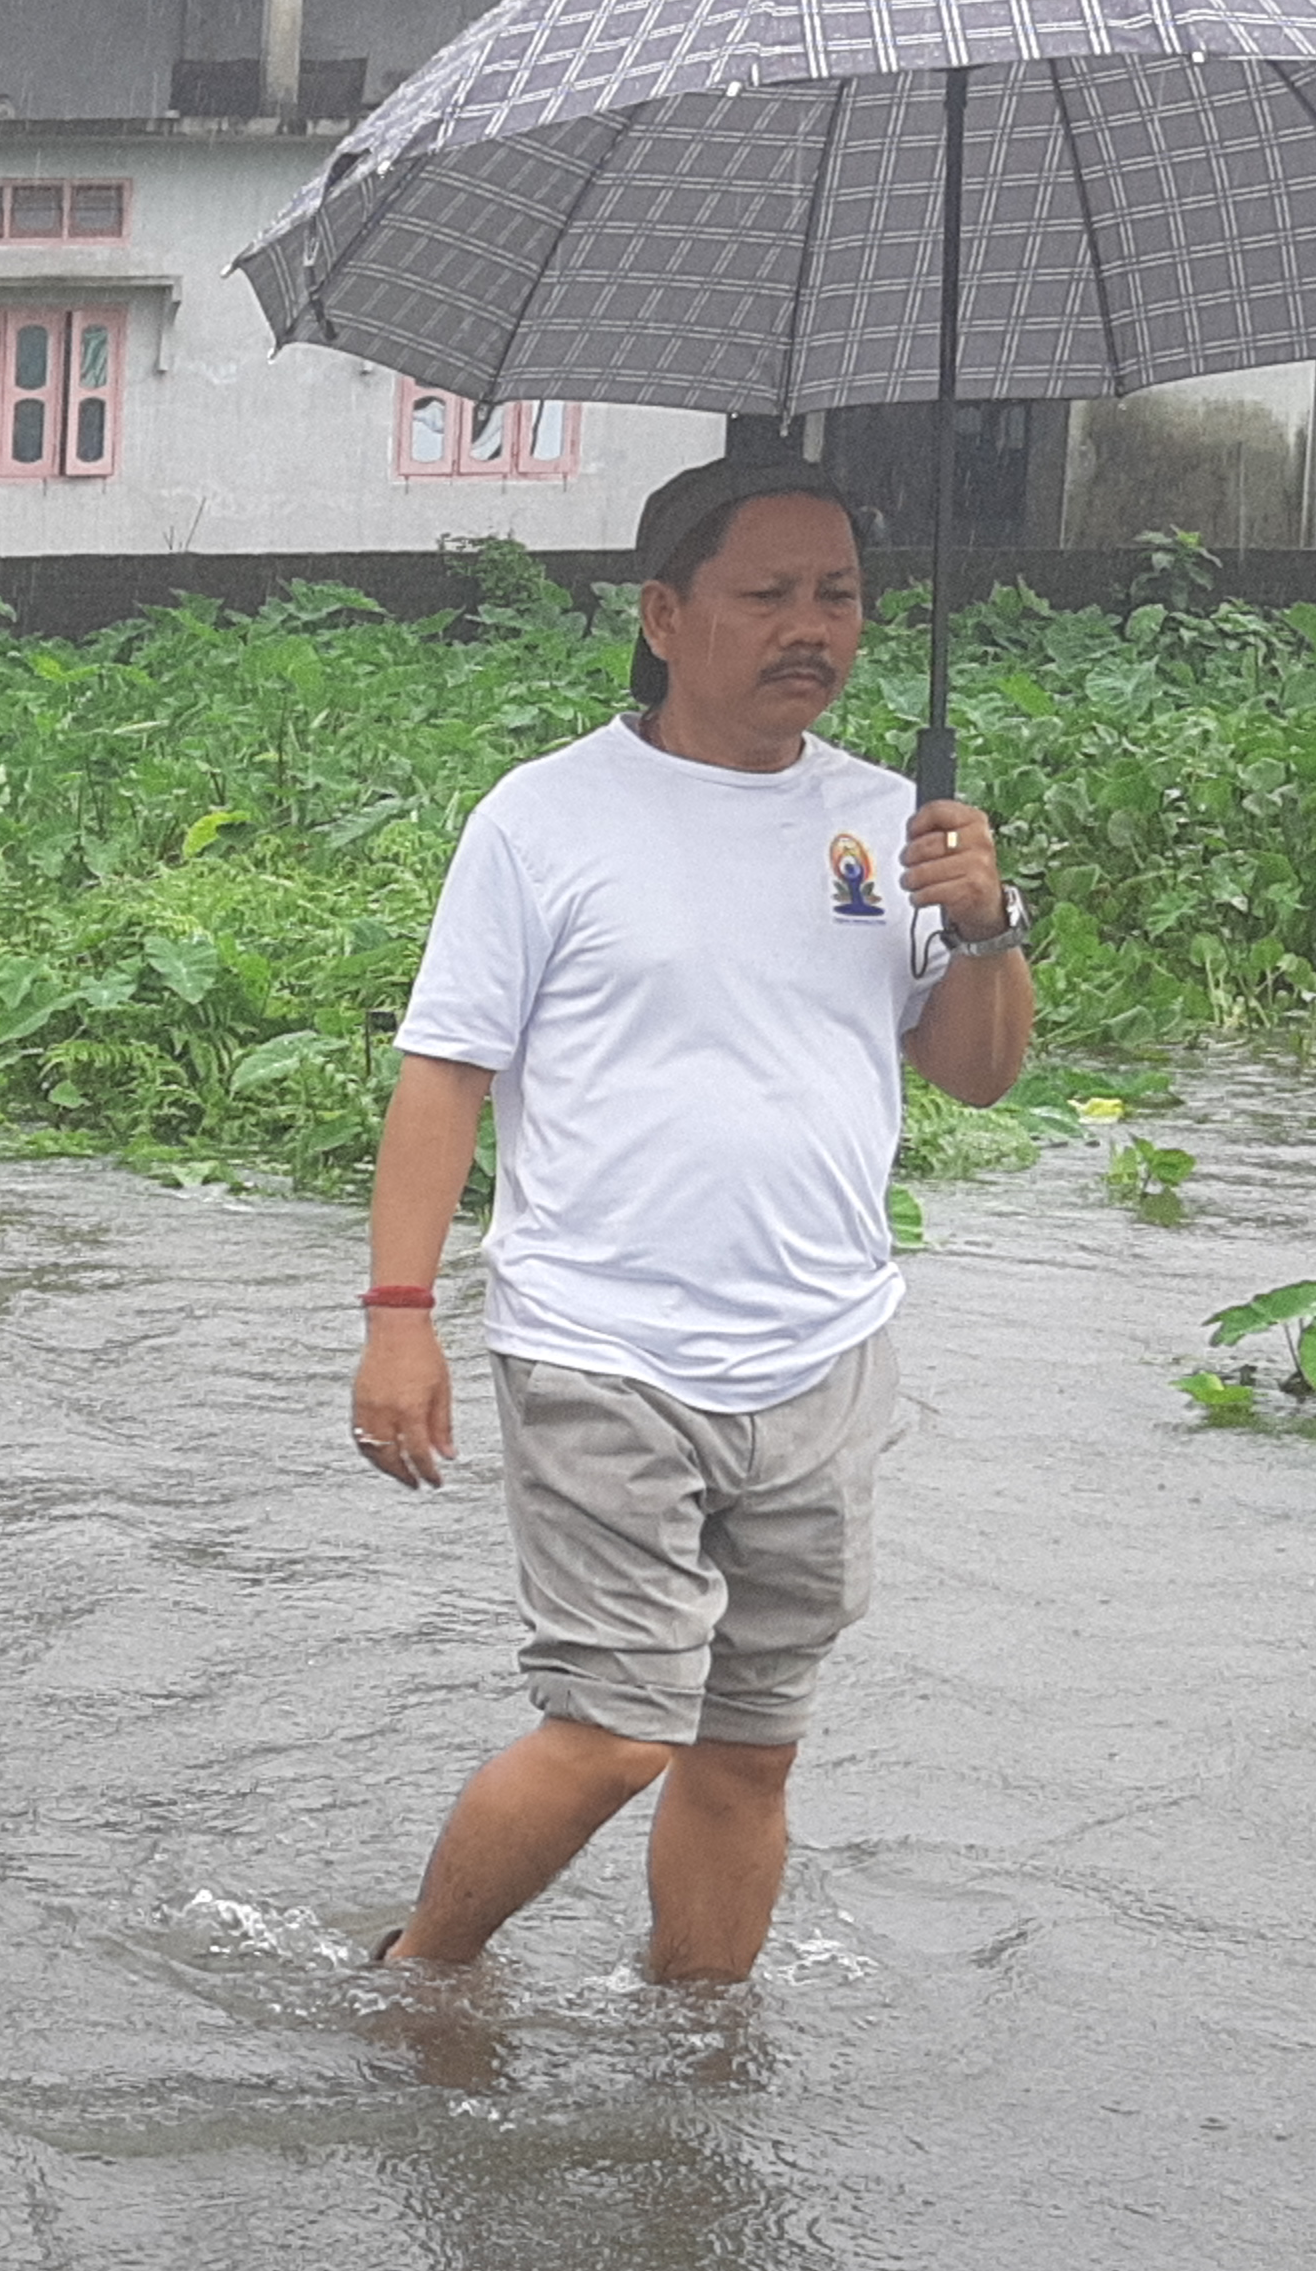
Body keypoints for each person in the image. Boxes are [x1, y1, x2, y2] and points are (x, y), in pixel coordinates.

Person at [350, 453, 1033, 1984]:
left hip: (824, 1353)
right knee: (614, 1732)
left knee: (749, 1751)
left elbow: (977, 1077)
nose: (814, 628)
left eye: (841, 596)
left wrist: (988, 929)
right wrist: (399, 1322)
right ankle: (420, 1977)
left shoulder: (891, 825)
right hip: (603, 1346)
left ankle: (699, 2064)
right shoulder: (546, 821)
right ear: (664, 613)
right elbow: (444, 1075)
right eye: (768, 593)